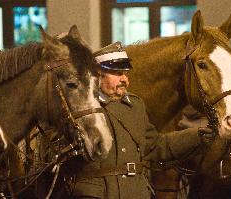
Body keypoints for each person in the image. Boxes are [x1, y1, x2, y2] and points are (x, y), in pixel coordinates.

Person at [64, 41, 214, 199]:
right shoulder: (79, 108)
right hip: (98, 194)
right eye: (117, 73)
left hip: (136, 193)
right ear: (96, 74)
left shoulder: (134, 106)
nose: (124, 79)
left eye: (126, 73)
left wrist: (199, 136)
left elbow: (155, 147)